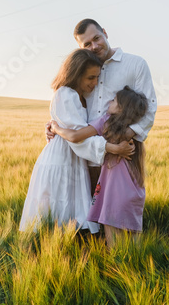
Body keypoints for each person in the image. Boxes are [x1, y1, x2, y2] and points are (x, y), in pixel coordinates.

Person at [19, 49, 135, 233]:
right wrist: (111, 148)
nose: (95, 83)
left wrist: (54, 126)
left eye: (97, 77)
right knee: (56, 212)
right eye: (90, 78)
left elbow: (79, 130)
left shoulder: (82, 95)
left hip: (74, 158)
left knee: (70, 216)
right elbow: (77, 137)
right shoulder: (65, 94)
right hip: (62, 159)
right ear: (75, 74)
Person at [47, 18, 157, 196]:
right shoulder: (83, 70)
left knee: (119, 211)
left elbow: (149, 107)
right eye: (87, 44)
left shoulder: (135, 64)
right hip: (85, 158)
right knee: (89, 212)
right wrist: (54, 124)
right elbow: (70, 104)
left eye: (97, 38)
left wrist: (125, 135)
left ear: (105, 33)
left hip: (122, 155)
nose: (94, 46)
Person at [51, 86, 148, 246]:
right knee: (134, 247)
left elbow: (75, 136)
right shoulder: (135, 132)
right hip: (135, 192)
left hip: (113, 192)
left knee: (113, 247)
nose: (110, 101)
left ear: (121, 108)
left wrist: (55, 127)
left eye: (114, 100)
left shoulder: (106, 122)